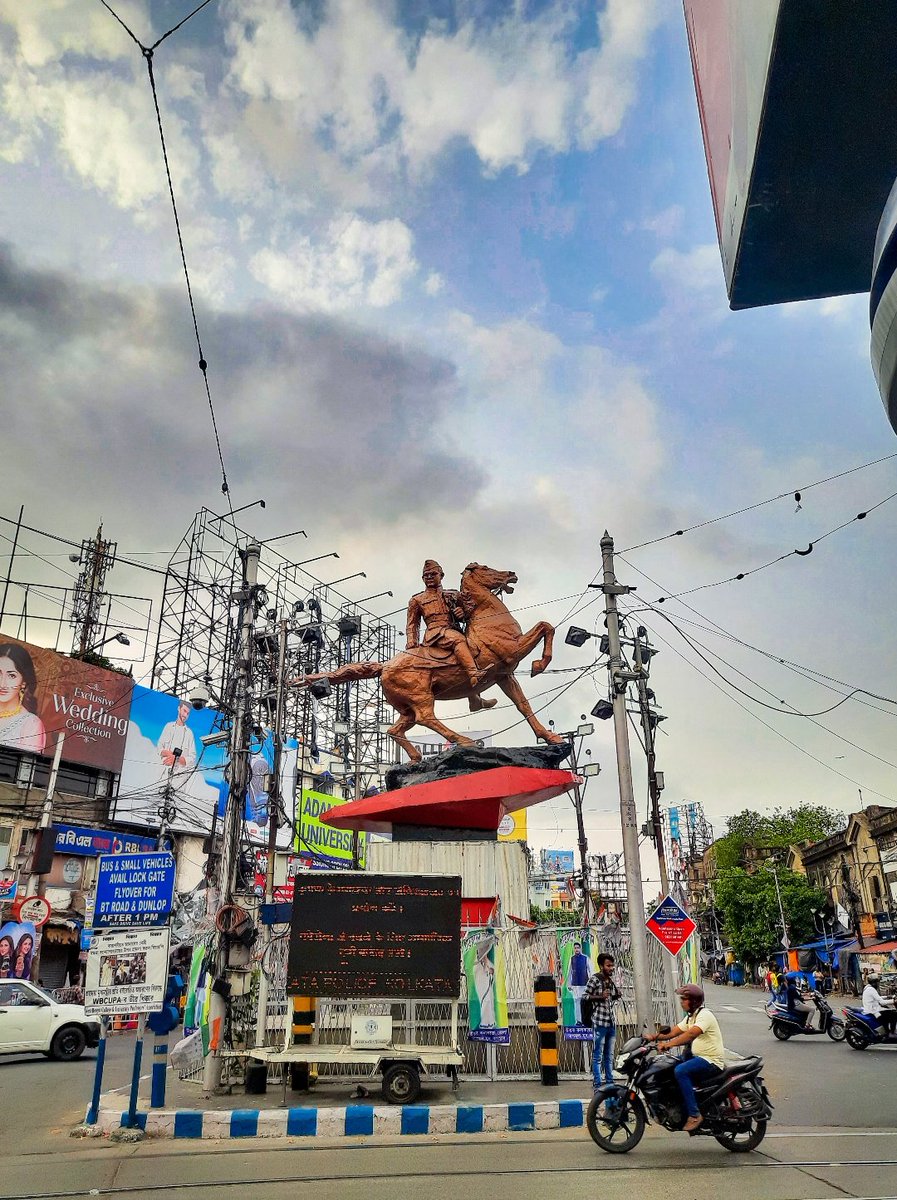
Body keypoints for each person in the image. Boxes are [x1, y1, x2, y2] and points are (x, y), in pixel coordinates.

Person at [405, 561, 493, 702]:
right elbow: (412, 624)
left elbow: (470, 612)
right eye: (425, 575)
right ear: (422, 579)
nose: (429, 577)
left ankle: (474, 699)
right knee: (457, 640)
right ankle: (473, 673)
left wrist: (462, 613)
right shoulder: (417, 600)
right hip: (435, 634)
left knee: (473, 647)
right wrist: (411, 644)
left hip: (453, 628)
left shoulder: (453, 594)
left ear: (441, 575)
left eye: (433, 574)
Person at [650, 983, 725, 1133]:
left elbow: (691, 1034)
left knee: (681, 1071)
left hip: (710, 1060)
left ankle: (694, 1114)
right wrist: (652, 1037)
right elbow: (674, 1031)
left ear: (694, 1001)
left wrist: (668, 1045)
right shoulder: (691, 1017)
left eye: (684, 998)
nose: (681, 1001)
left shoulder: (705, 1015)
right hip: (698, 1057)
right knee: (669, 1065)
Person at [582, 951, 620, 1091]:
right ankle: (597, 1083)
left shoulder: (609, 980)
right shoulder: (595, 979)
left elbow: (610, 999)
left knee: (609, 1055)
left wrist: (615, 996)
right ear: (601, 966)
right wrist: (600, 996)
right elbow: (585, 996)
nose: (611, 968)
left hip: (610, 1022)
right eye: (608, 965)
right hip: (599, 1023)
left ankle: (610, 1081)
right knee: (597, 1054)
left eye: (612, 966)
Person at [0, 643, 46, 754]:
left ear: (23, 682)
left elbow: (26, 769)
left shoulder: (31, 725)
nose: (2, 684)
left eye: (12, 676)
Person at [157, 698, 198, 771]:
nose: (185, 715)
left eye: (188, 713)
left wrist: (177, 759)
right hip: (163, 770)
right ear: (179, 709)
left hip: (179, 775)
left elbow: (192, 758)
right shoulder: (168, 726)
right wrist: (168, 754)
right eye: (184, 711)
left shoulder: (189, 733)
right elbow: (159, 748)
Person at [568, 940, 591, 1024]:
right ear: (574, 949)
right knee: (576, 1002)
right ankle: (578, 1020)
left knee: (584, 1002)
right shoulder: (572, 959)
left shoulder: (585, 958)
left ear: (580, 948)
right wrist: (569, 984)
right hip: (575, 984)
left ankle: (585, 1019)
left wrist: (591, 984)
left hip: (584, 983)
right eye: (575, 948)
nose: (576, 949)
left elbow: (591, 971)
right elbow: (569, 971)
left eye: (578, 948)